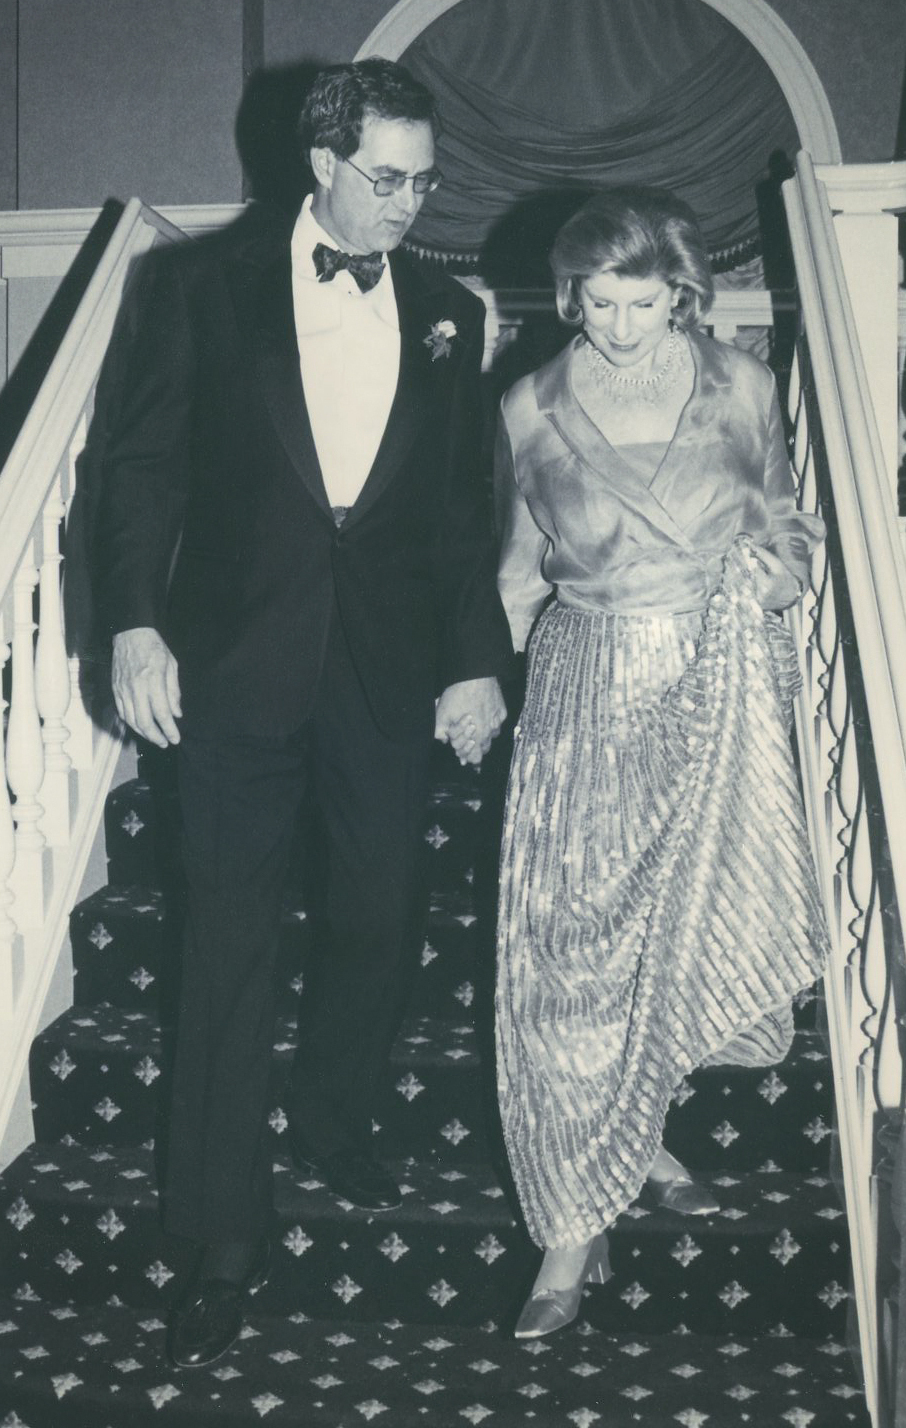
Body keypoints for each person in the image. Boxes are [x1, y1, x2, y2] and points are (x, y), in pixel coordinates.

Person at [96, 58, 511, 1368]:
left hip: (386, 666)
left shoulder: (445, 311)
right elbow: (137, 467)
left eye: (424, 182)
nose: (408, 205)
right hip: (233, 664)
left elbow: (461, 507)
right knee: (226, 938)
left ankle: (333, 1114)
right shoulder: (195, 286)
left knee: (381, 912)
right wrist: (134, 625)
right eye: (386, 179)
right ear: (322, 163)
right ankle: (219, 1234)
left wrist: (475, 659)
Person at [493, 186, 829, 1339]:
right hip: (585, 691)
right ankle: (569, 1222)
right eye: (600, 303)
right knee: (572, 956)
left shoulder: (744, 383)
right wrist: (474, 686)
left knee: (681, 936)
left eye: (644, 303)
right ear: (570, 295)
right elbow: (516, 568)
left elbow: (784, 526)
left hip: (719, 686)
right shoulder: (528, 406)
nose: (623, 326)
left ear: (681, 294)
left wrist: (773, 575)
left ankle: (633, 1140)